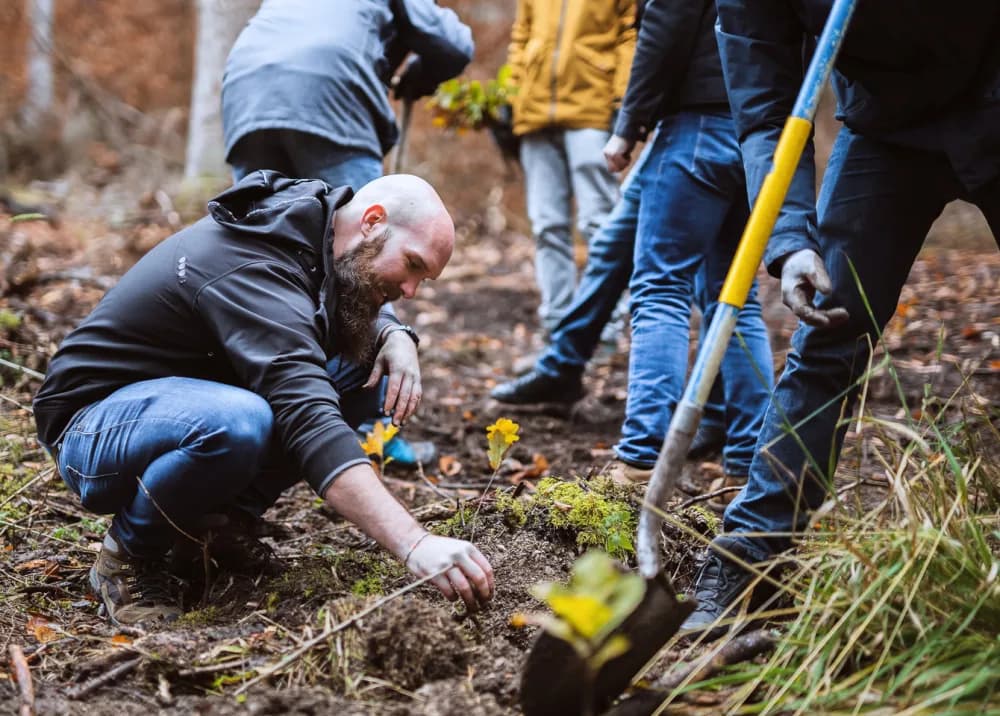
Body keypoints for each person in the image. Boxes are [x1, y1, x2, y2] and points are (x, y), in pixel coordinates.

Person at [33, 172, 495, 627]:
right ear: (372, 221)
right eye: (412, 265)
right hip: (92, 428)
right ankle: (128, 558)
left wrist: (393, 332)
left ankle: (213, 528)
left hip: (181, 408)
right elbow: (307, 414)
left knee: (368, 366)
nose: (410, 291)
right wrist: (414, 543)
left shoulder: (320, 234)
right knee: (239, 422)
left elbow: (346, 317)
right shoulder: (255, 264)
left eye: (423, 280)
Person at [682, 0, 1000, 637]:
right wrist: (790, 239)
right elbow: (765, 113)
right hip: (887, 125)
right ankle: (751, 559)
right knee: (828, 326)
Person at [505, 0, 775, 492]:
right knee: (735, 297)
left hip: (695, 128)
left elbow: (668, 18)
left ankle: (639, 464)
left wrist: (629, 124)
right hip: (760, 130)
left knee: (661, 290)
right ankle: (749, 465)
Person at [221, 0, 473, 469]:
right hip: (331, 91)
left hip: (247, 89)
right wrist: (422, 72)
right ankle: (373, 428)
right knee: (373, 255)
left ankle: (246, 404)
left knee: (258, 252)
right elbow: (453, 44)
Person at [506, 0, 636, 340]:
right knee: (547, 226)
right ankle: (557, 330)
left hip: (592, 110)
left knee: (599, 223)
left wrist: (622, 102)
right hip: (534, 114)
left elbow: (629, 34)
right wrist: (512, 96)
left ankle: (604, 330)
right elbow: (521, 36)